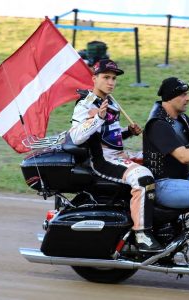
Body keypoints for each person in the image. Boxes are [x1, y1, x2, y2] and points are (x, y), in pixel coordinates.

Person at [69, 58, 163, 252]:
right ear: (94, 78)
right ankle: (142, 234)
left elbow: (110, 135)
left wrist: (128, 131)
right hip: (103, 161)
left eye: (113, 78)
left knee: (159, 161)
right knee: (143, 177)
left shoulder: (111, 101)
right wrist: (97, 117)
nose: (111, 82)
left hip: (118, 154)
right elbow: (76, 137)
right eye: (106, 77)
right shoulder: (84, 104)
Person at [143, 76, 189, 241]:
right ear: (170, 98)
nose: (188, 98)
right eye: (182, 94)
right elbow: (184, 156)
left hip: (182, 177)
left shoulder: (178, 117)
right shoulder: (158, 124)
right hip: (162, 185)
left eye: (187, 93)